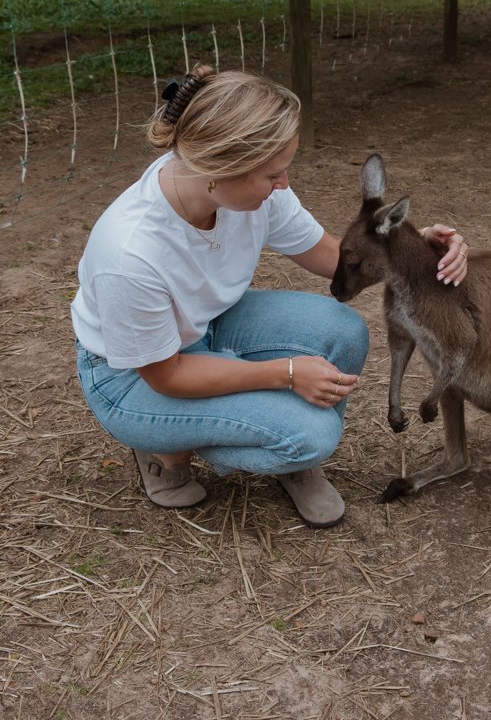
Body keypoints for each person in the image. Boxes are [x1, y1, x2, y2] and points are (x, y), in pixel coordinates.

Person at [71, 64, 468, 528]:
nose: (284, 185)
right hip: (135, 375)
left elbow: (329, 256)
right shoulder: (131, 253)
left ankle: (278, 453)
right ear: (219, 170)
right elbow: (167, 374)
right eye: (272, 174)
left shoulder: (249, 194)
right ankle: (166, 445)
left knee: (344, 331)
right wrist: (287, 373)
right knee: (311, 435)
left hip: (206, 325)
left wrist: (417, 251)